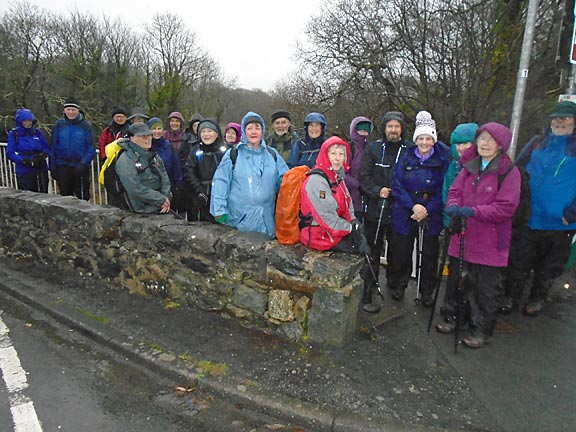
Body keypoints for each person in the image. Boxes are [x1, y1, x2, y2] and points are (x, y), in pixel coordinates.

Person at [440, 122, 521, 349]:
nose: (485, 144)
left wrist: (474, 211)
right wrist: (454, 205)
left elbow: (506, 207)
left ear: (501, 144)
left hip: (490, 240)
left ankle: (480, 330)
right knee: (457, 281)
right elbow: (454, 190)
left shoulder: (509, 172)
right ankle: (454, 317)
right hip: (463, 235)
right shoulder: (469, 166)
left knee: (484, 289)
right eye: (482, 139)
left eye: (490, 140)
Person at [501, 100, 576, 317]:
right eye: (556, 117)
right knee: (519, 259)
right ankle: (512, 296)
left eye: (565, 117)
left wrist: (571, 213)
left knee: (549, 265)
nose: (559, 121)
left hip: (560, 222)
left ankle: (537, 297)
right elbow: (517, 171)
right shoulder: (537, 143)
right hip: (529, 215)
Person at [388, 111, 450, 305]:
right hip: (405, 210)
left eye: (428, 138)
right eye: (421, 138)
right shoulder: (406, 157)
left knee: (429, 254)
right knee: (400, 251)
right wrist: (413, 206)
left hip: (431, 212)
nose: (424, 142)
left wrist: (426, 209)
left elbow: (444, 188)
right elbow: (397, 184)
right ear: (416, 139)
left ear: (434, 140)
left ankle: (427, 291)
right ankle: (398, 284)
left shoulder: (442, 160)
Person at [358, 111, 412, 313]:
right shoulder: (373, 149)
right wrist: (375, 191)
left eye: (397, 126)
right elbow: (364, 175)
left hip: (400, 209)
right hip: (376, 208)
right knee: (373, 248)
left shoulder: (409, 150)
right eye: (390, 126)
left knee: (400, 250)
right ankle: (369, 283)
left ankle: (397, 284)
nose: (393, 130)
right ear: (384, 129)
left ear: (402, 129)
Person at [210, 112, 289, 237]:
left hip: (267, 220)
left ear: (262, 131)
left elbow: (286, 178)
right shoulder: (233, 154)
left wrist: (286, 182)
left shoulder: (272, 154)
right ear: (244, 131)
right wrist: (219, 209)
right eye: (249, 128)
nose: (253, 132)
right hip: (240, 220)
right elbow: (221, 181)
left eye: (257, 128)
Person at [299, 136, 368, 255]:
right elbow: (326, 217)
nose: (337, 158)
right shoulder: (316, 181)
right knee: (356, 252)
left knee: (362, 247)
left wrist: (354, 222)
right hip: (318, 235)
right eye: (333, 154)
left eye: (341, 154)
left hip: (333, 232)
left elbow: (348, 204)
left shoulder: (338, 178)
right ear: (325, 156)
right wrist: (350, 229)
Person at [115, 123, 171, 214]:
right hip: (141, 210)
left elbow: (164, 177)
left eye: (149, 135)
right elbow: (134, 188)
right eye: (143, 136)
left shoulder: (154, 155)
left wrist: (165, 197)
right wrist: (160, 199)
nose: (148, 139)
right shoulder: (125, 160)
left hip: (160, 206)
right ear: (132, 138)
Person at [50, 97, 95, 201]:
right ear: (64, 110)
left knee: (82, 198)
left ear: (78, 110)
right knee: (65, 198)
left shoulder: (85, 125)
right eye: (68, 109)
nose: (70, 112)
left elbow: (91, 147)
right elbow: (53, 146)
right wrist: (53, 166)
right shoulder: (59, 125)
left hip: (80, 167)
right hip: (63, 166)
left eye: (73, 110)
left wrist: (83, 164)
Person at [183, 119, 228, 222]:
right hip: (199, 196)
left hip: (219, 196)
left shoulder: (224, 151)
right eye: (203, 131)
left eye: (209, 131)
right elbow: (189, 171)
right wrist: (199, 190)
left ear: (217, 134)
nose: (206, 134)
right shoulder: (195, 151)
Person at [442, 123, 479, 228]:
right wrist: (448, 221)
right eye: (458, 144)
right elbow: (447, 193)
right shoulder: (454, 166)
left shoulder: (481, 166)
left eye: (466, 143)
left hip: (476, 222)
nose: (461, 148)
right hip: (454, 221)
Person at [7, 108, 51, 193]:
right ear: (20, 122)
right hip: (24, 170)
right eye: (25, 121)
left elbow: (46, 147)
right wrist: (23, 161)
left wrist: (42, 156)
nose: (28, 123)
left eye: (30, 121)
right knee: (27, 195)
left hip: (40, 168)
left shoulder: (37, 133)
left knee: (43, 194)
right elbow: (10, 153)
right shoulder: (14, 134)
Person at [147, 117, 183, 201]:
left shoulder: (168, 146)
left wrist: (178, 184)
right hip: (152, 189)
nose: (157, 131)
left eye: (159, 128)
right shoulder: (146, 147)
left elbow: (176, 166)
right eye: (154, 129)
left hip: (170, 186)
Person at [345, 116, 373, 222]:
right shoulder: (349, 148)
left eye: (366, 131)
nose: (363, 134)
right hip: (351, 198)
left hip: (369, 198)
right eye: (360, 130)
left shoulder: (371, 149)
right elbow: (342, 173)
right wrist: (358, 184)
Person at [164, 111, 188, 215]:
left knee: (182, 204)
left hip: (183, 173)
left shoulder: (185, 136)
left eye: (177, 121)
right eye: (172, 121)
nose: (174, 123)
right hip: (167, 174)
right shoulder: (164, 136)